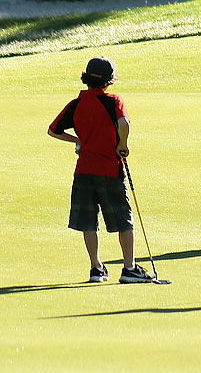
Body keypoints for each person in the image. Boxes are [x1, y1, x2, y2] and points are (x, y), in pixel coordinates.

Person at [48, 57, 155, 284]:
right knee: (123, 221)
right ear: (109, 81)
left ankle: (96, 268)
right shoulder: (113, 100)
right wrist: (122, 145)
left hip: (83, 171)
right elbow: (124, 123)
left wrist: (78, 140)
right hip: (110, 169)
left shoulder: (76, 104)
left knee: (89, 222)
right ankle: (129, 269)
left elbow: (53, 131)